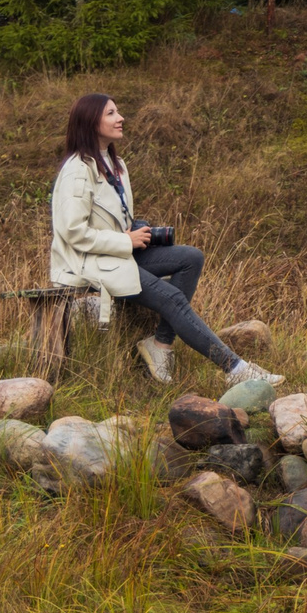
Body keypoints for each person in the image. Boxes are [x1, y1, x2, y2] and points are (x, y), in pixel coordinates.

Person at [48, 93, 280, 390]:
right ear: (91, 121)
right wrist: (124, 240)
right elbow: (72, 231)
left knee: (190, 257)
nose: (121, 118)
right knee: (171, 298)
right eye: (111, 113)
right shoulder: (78, 169)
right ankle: (235, 369)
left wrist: (136, 230)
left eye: (118, 111)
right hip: (85, 263)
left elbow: (109, 218)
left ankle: (160, 344)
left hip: (113, 252)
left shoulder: (115, 164)